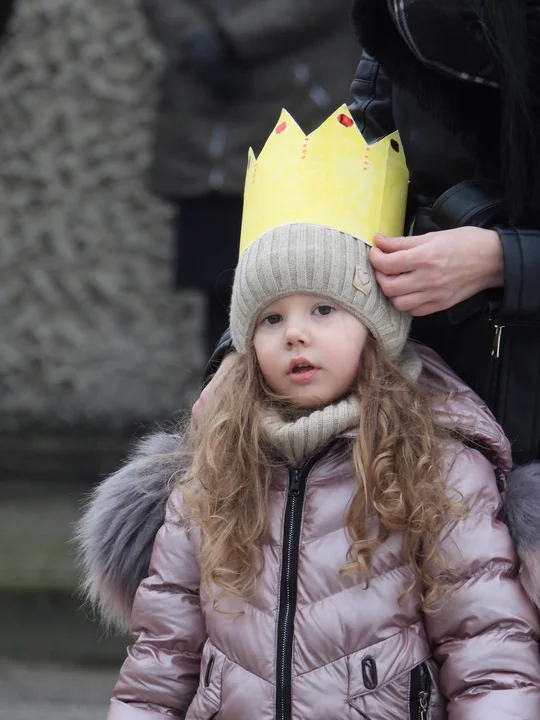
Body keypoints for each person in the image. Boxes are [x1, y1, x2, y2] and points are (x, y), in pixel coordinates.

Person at [78, 108, 540, 715]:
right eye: (272, 318)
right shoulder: (214, 469)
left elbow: (486, 651)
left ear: (375, 328)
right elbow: (159, 657)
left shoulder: (439, 460)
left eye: (324, 310)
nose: (295, 334)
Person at [346, 1, 540, 464]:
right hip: (429, 416)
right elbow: (338, 198)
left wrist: (501, 260)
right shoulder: (400, 17)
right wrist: (246, 344)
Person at [139, 0, 359, 355]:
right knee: (221, 294)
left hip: (301, 111)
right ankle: (229, 405)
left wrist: (232, 38)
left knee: (306, 289)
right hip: (202, 121)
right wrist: (195, 39)